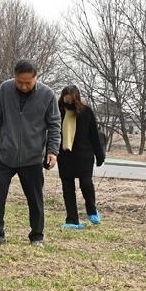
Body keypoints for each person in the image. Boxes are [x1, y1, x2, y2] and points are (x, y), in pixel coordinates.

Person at [0, 60, 60, 248]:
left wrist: (52, 151)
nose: (23, 86)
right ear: (14, 77)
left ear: (36, 78)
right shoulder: (4, 89)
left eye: (28, 83)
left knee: (35, 198)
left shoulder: (47, 95)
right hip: (5, 154)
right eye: (19, 82)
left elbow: (54, 125)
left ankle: (37, 236)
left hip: (32, 157)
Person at [57, 85, 106, 229]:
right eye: (66, 97)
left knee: (86, 185)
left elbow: (94, 135)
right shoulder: (57, 111)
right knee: (67, 188)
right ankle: (72, 220)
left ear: (76, 98)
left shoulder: (86, 112)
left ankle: (91, 210)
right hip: (65, 155)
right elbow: (51, 133)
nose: (68, 101)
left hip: (84, 155)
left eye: (71, 98)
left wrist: (99, 155)